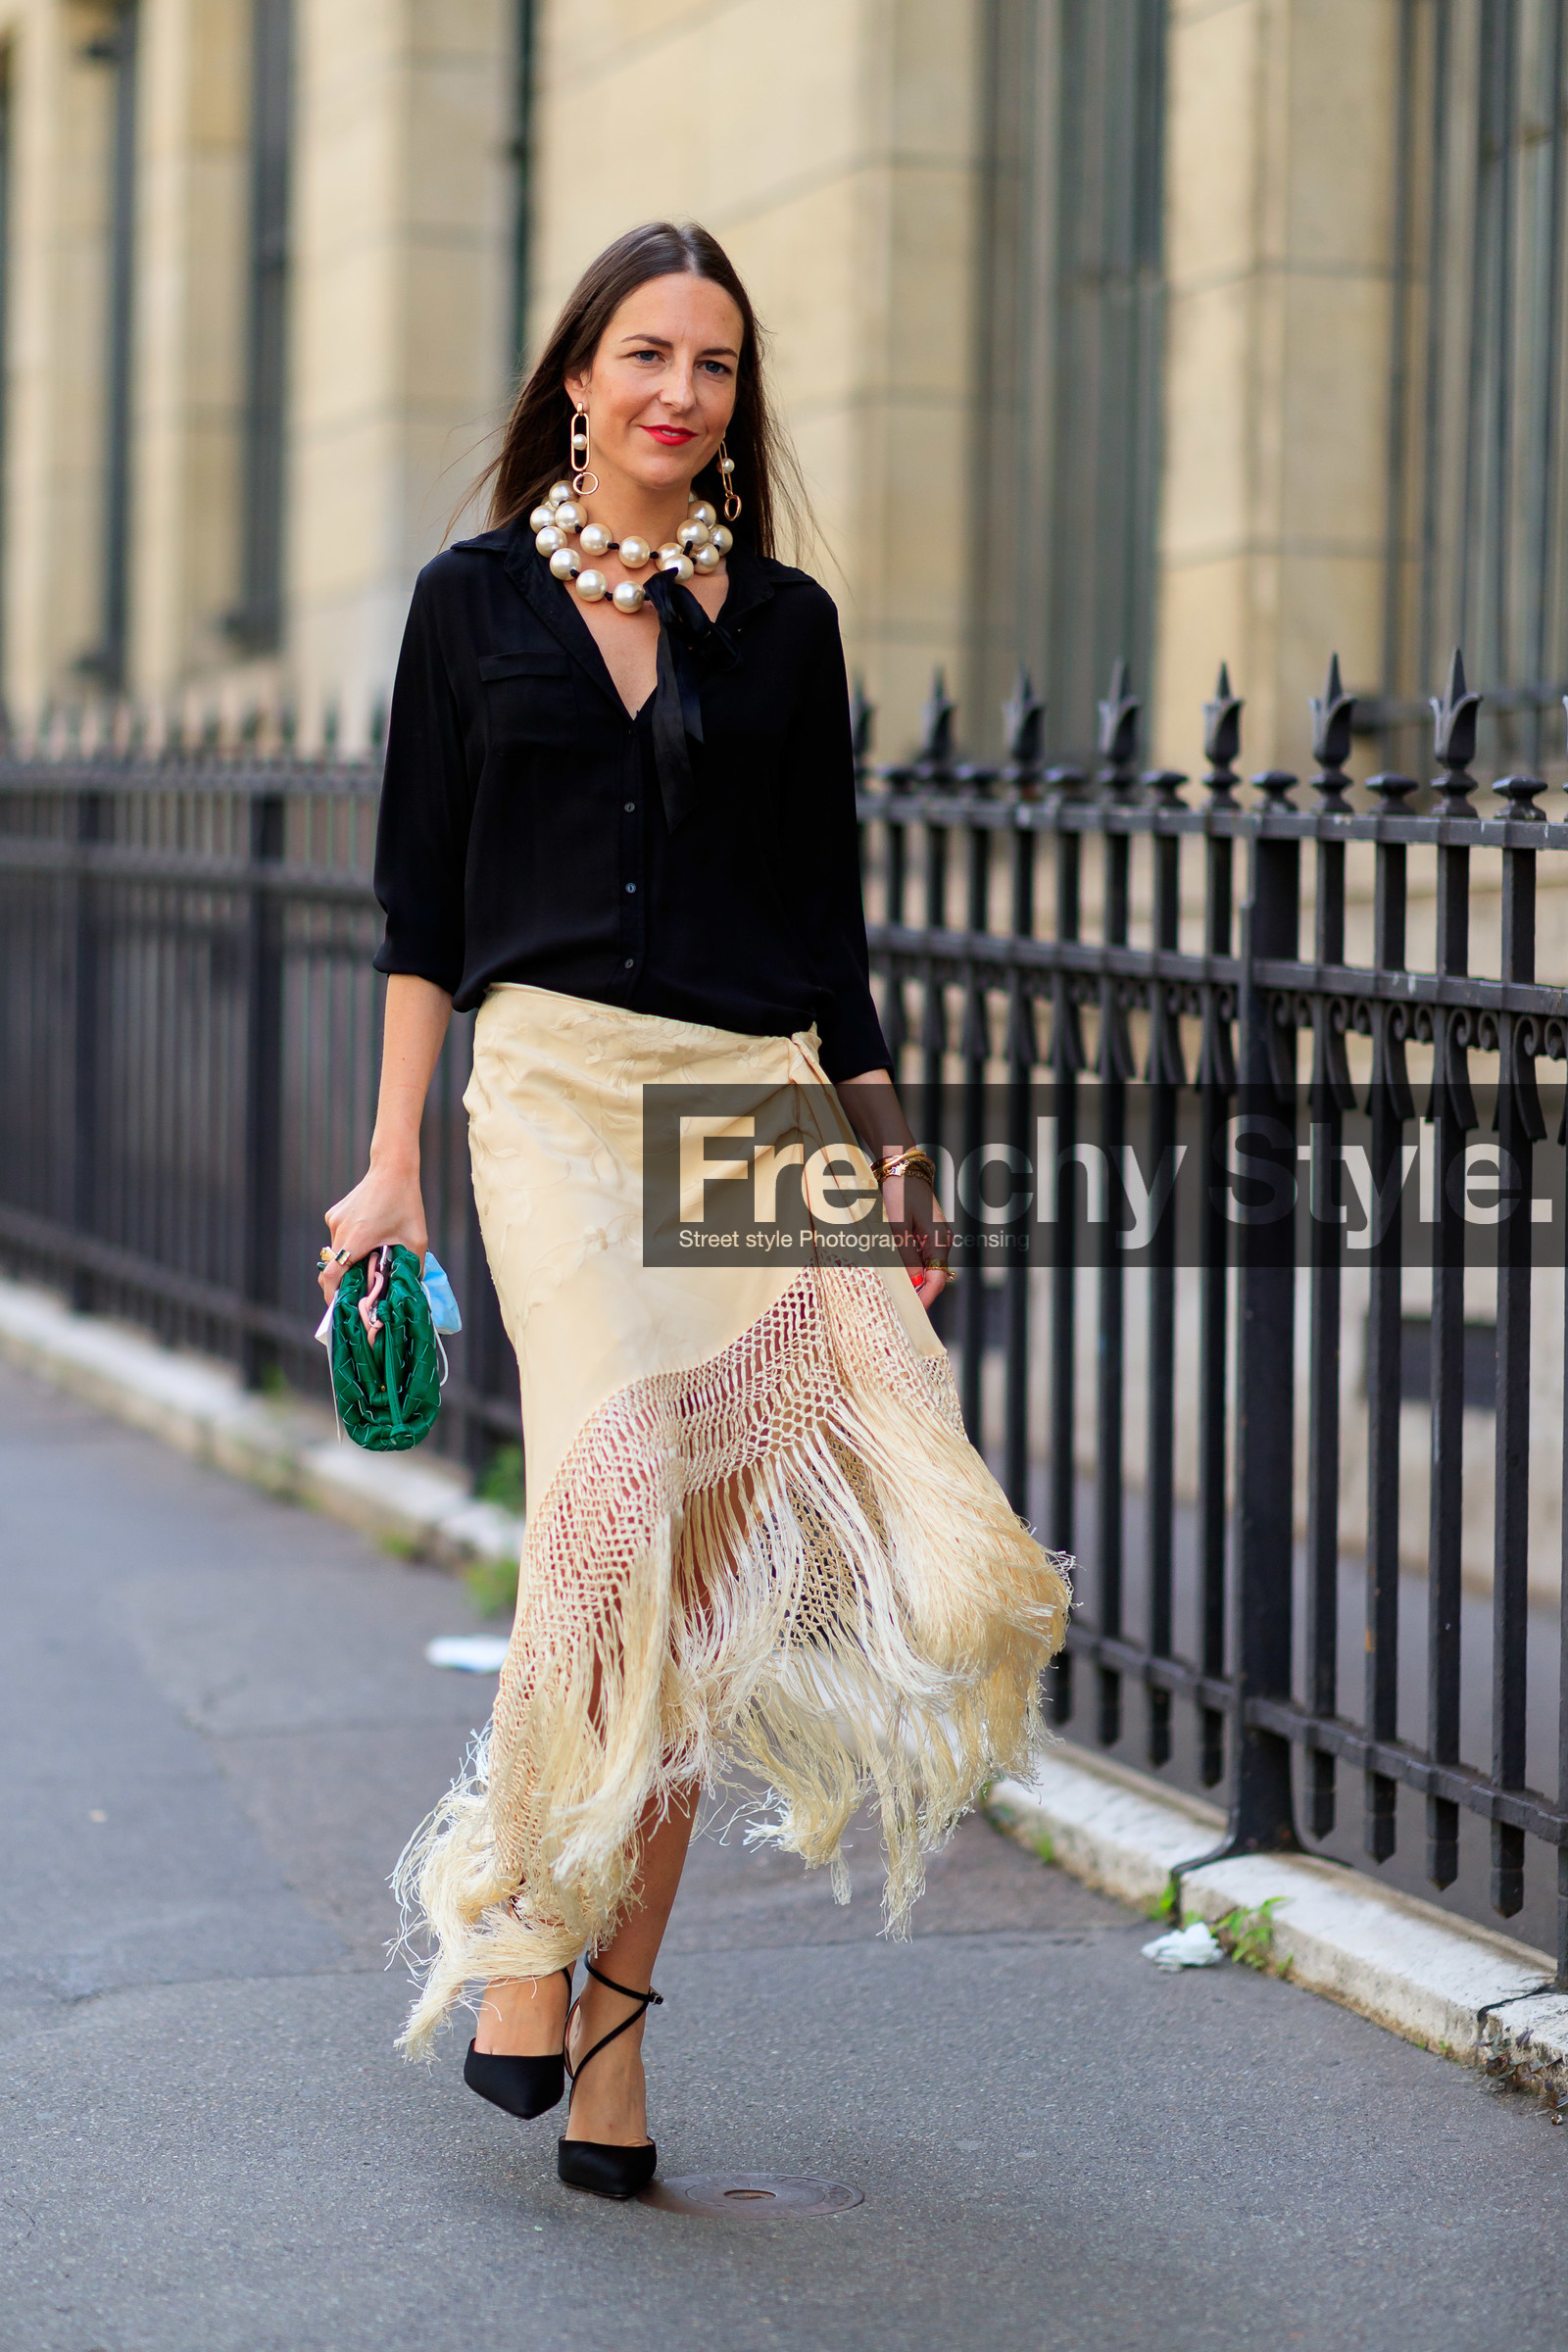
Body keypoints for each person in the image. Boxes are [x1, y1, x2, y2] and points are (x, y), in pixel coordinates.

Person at [318, 220, 1069, 2203]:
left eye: (713, 364)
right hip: (557, 1096)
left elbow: (824, 932)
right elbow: (417, 912)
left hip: (751, 1099)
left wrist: (886, 1146)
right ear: (574, 378)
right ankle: (515, 1929)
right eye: (643, 352)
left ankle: (616, 2042)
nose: (678, 390)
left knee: (712, 1601)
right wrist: (390, 1162)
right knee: (606, 1501)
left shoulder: (788, 627)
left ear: (735, 403)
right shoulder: (469, 606)